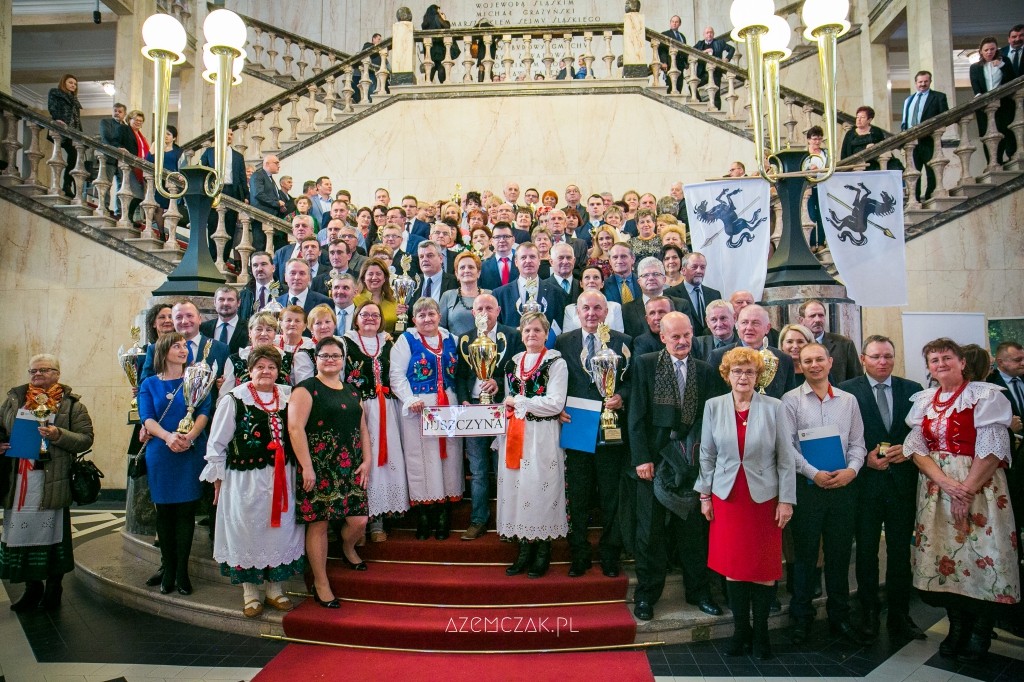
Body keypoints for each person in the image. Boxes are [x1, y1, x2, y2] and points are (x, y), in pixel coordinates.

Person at [904, 338, 1018, 662]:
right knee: (947, 558)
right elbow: (915, 448)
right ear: (928, 368)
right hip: (937, 491)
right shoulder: (924, 401)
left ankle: (980, 630)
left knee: (980, 554)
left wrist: (965, 490)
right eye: (934, 360)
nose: (941, 364)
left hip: (981, 489)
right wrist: (946, 484)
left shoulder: (985, 396)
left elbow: (993, 449)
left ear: (962, 362)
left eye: (947, 357)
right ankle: (957, 626)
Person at [697, 346, 796, 659]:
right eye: (737, 371)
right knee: (734, 568)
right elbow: (707, 454)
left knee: (763, 567)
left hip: (765, 498)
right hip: (727, 497)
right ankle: (741, 632)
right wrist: (704, 495)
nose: (743, 376)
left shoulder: (774, 407)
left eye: (749, 371)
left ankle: (762, 635)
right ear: (727, 375)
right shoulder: (713, 406)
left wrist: (786, 500)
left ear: (758, 375)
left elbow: (786, 457)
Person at [628, 312, 721, 621]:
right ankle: (646, 596)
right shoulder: (646, 364)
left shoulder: (706, 371)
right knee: (650, 534)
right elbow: (636, 416)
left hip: (691, 462)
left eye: (686, 336)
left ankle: (699, 593)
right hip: (653, 462)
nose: (682, 342)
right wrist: (642, 458)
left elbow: (710, 421)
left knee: (694, 533)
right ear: (662, 337)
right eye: (675, 337)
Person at [202, 347, 305, 618]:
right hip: (245, 482)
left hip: (283, 479)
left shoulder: (288, 396)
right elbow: (217, 443)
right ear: (250, 369)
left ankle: (275, 589)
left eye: (271, 367)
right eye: (260, 366)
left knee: (281, 531)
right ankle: (250, 592)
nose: (266, 372)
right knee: (248, 531)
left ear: (278, 370)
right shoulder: (234, 399)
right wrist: (217, 479)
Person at [838, 335, 926, 641]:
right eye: (875, 356)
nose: (882, 362)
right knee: (866, 553)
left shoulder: (913, 390)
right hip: (866, 486)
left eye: (888, 356)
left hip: (902, 483)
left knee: (901, 553)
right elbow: (843, 437)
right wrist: (864, 462)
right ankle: (870, 614)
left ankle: (900, 616)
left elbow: (923, 432)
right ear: (863, 359)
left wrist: (908, 448)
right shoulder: (847, 391)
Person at [782, 343, 868, 645]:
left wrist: (852, 470)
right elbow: (787, 448)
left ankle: (840, 618)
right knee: (805, 558)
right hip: (808, 490)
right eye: (808, 361)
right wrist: (812, 473)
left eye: (819, 359)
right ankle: (801, 620)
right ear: (800, 366)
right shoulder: (790, 401)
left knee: (839, 556)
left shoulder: (848, 401)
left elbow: (858, 443)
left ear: (830, 362)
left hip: (843, 488)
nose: (814, 365)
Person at [0, 354, 94, 612]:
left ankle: (54, 589)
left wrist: (58, 434)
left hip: (53, 479)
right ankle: (32, 589)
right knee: (21, 535)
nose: (36, 375)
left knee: (52, 537)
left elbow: (86, 439)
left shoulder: (72, 405)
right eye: (32, 371)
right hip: (19, 480)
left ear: (57, 373)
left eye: (43, 370)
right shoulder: (13, 400)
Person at [289, 337, 370, 608]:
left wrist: (367, 460)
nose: (331, 360)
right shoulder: (305, 389)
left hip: (350, 466)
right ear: (316, 359)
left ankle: (347, 548)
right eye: (325, 356)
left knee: (359, 521)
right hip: (319, 466)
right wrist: (307, 466)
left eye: (336, 356)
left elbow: (363, 429)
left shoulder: (351, 391)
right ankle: (321, 582)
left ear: (343, 360)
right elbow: (295, 429)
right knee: (319, 524)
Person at [555, 290, 630, 578]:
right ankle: (580, 553)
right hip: (577, 423)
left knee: (612, 495)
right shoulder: (563, 342)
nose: (591, 313)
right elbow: (555, 379)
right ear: (577, 311)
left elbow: (634, 382)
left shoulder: (623, 343)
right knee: (579, 494)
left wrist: (621, 396)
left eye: (597, 308)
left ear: (606, 312)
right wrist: (557, 406)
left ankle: (611, 554)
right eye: (586, 307)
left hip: (610, 428)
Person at [493, 312, 569, 577]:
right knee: (518, 490)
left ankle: (542, 551)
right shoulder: (513, 362)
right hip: (515, 433)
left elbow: (555, 402)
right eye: (527, 331)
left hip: (543, 434)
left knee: (540, 489)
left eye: (537, 330)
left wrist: (521, 403)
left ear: (546, 333)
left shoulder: (556, 362)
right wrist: (507, 405)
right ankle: (523, 548)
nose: (531, 335)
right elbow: (507, 398)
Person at [138, 333, 211, 596]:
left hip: (189, 452)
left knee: (185, 514)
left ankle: (182, 572)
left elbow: (204, 412)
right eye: (176, 346)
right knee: (165, 514)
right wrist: (169, 437)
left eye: (184, 346)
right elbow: (146, 418)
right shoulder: (149, 383)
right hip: (161, 451)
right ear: (163, 351)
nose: (183, 350)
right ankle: (167, 570)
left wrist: (189, 438)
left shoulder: (197, 378)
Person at [390, 298, 464, 540]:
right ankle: (424, 512)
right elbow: (397, 375)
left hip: (448, 407)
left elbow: (461, 373)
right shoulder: (406, 340)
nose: (427, 319)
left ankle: (443, 513)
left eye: (431, 314)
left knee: (449, 457)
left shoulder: (450, 339)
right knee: (421, 459)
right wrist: (410, 399)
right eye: (421, 315)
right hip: (419, 408)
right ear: (414, 320)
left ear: (439, 316)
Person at [455, 294, 524, 541]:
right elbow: (460, 375)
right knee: (479, 469)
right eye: (479, 308)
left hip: (502, 409)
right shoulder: (465, 339)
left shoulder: (513, 336)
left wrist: (501, 386)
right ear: (473, 313)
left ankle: (506, 522)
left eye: (489, 308)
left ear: (498, 311)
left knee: (503, 468)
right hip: (474, 408)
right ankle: (478, 520)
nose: (484, 312)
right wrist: (463, 399)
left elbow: (519, 372)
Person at [342, 302, 408, 544]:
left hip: (388, 409)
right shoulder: (345, 343)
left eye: (375, 315)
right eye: (365, 314)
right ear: (356, 319)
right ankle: (361, 522)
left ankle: (381, 519)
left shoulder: (389, 343)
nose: (370, 318)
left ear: (382, 320)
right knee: (364, 461)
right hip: (360, 409)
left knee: (386, 461)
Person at [900, 70, 949, 201]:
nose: (923, 84)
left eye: (925, 81)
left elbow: (946, 118)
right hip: (912, 143)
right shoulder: (908, 100)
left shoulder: (939, 97)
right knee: (913, 173)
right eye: (920, 82)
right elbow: (904, 122)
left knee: (931, 172)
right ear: (916, 83)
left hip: (930, 141)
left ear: (930, 82)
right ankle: (914, 198)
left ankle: (929, 198)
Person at [970, 36, 1017, 165]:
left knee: (1005, 131)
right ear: (981, 51)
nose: (989, 52)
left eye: (992, 49)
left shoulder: (1004, 61)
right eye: (986, 50)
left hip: (1004, 105)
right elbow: (976, 85)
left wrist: (1002, 66)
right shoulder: (975, 67)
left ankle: (1010, 157)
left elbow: (1012, 81)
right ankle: (992, 162)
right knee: (987, 135)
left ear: (996, 49)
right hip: (985, 108)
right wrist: (980, 97)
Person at [797, 300, 863, 383]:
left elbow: (857, 379)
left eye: (821, 315)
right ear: (801, 320)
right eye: (812, 316)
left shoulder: (844, 344)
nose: (817, 320)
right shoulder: (796, 346)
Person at [665, 252, 722, 337]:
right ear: (683, 270)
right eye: (694, 267)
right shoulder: (670, 294)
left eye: (702, 267)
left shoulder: (715, 294)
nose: (699, 271)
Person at [47, 74, 82, 198]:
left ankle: (67, 184)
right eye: (70, 82)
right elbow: (52, 107)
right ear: (64, 83)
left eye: (75, 84)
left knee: (75, 156)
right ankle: (65, 185)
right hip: (62, 129)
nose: (73, 85)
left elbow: (76, 118)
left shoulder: (74, 99)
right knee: (72, 154)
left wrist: (80, 133)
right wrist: (57, 119)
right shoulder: (55, 93)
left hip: (74, 132)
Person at [144, 125, 184, 236]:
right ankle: (161, 234)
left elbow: (182, 166)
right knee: (158, 209)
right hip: (159, 182)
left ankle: (172, 234)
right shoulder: (157, 147)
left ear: (174, 138)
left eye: (168, 134)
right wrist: (153, 148)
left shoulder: (178, 151)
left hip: (172, 184)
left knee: (172, 210)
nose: (165, 136)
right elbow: (148, 162)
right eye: (164, 134)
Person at [439, 251, 490, 338]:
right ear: (456, 274)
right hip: (456, 349)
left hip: (486, 348)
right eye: (462, 268)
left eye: (471, 267)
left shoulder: (490, 295)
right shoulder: (448, 296)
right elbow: (440, 328)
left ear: (478, 273)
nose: (466, 270)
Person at [562, 266, 625, 334]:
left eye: (596, 277)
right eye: (587, 277)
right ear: (581, 283)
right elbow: (567, 339)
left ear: (602, 283)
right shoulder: (569, 309)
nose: (591, 281)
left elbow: (619, 336)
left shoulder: (615, 307)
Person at [354, 258, 405, 335]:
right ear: (363, 278)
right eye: (370, 274)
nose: (374, 277)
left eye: (378, 274)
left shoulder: (395, 301)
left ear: (385, 278)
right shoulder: (354, 300)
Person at [693, 26, 735, 109]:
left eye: (711, 32)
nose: (709, 34)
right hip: (703, 73)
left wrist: (727, 58)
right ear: (704, 34)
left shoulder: (719, 43)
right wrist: (704, 52)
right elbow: (692, 52)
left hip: (716, 72)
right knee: (692, 86)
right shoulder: (700, 44)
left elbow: (732, 49)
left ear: (713, 34)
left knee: (716, 94)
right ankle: (701, 105)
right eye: (707, 33)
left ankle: (717, 111)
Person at [200, 286, 248, 355]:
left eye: (230, 300)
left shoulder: (248, 329)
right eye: (221, 299)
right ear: (214, 302)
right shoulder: (203, 328)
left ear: (238, 303)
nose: (225, 303)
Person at [422, 5, 459, 83]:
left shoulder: (426, 21)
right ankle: (443, 87)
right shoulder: (436, 17)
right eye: (439, 9)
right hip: (439, 49)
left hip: (430, 50)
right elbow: (446, 27)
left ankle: (426, 86)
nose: (440, 11)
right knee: (441, 69)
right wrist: (445, 19)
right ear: (436, 10)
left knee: (430, 70)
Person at [658, 15, 688, 94]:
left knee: (679, 86)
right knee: (670, 87)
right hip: (670, 64)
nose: (674, 23)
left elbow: (685, 51)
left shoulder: (682, 37)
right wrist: (663, 62)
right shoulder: (665, 34)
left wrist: (686, 63)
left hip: (680, 66)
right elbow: (661, 50)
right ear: (670, 23)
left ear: (679, 24)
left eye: (676, 22)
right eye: (673, 22)